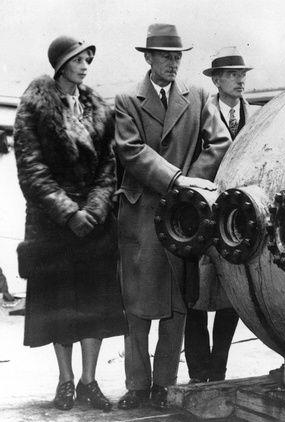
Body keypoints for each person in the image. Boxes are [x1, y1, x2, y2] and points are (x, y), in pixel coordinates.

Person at [114, 23, 231, 410]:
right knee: (137, 305)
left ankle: (165, 384)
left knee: (177, 303)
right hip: (141, 213)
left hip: (182, 215)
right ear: (148, 57)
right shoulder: (127, 99)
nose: (173, 62)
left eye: (177, 56)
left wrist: (190, 183)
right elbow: (131, 151)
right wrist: (177, 179)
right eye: (165, 56)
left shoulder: (197, 95)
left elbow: (220, 141)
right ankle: (137, 385)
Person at [13, 35, 127, 412]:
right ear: (61, 65)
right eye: (78, 60)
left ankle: (88, 381)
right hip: (53, 225)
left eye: (87, 60)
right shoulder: (35, 106)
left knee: (95, 304)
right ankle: (65, 380)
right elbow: (31, 169)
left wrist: (92, 211)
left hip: (94, 225)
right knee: (60, 305)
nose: (84, 66)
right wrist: (68, 212)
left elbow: (108, 166)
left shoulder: (98, 107)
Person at [184, 46, 260, 384]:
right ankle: (197, 372)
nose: (240, 80)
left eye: (242, 74)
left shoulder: (256, 117)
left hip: (237, 217)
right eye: (232, 75)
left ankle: (218, 370)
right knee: (196, 296)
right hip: (201, 213)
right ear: (216, 80)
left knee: (231, 296)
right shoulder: (200, 113)